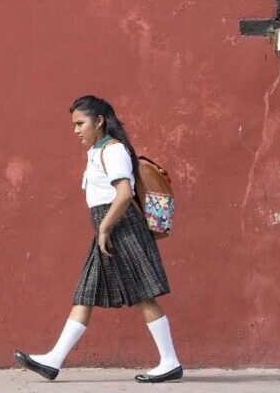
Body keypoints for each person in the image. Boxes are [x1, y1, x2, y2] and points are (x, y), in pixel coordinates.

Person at [14, 95, 182, 384]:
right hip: (109, 229)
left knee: (144, 295)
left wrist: (104, 227)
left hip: (121, 227)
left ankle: (170, 362)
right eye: (73, 125)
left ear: (99, 121)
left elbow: (125, 194)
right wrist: (103, 229)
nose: (76, 130)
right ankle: (53, 360)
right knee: (86, 292)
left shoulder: (112, 150)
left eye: (80, 123)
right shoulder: (97, 151)